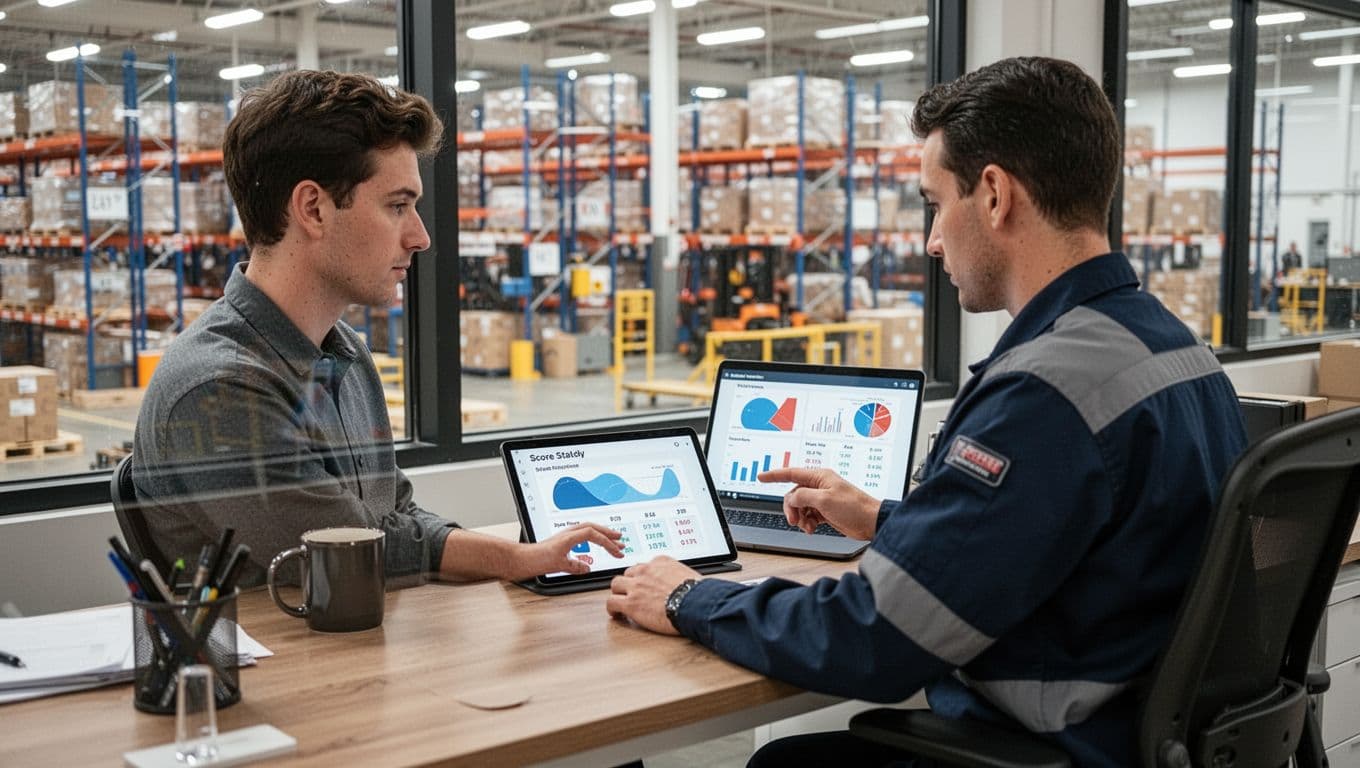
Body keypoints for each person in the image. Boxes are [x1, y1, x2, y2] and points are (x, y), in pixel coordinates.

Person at [606, 57, 1247, 766]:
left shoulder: (1047, 392)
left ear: (996, 194)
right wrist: (885, 520)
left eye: (935, 202)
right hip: (1142, 729)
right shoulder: (1173, 347)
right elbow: (1055, 537)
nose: (933, 239)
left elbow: (872, 638)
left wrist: (688, 599)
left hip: (1065, 745)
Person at [133, 70, 622, 588]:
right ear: (313, 209)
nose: (421, 237)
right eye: (397, 206)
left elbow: (394, 515)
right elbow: (348, 549)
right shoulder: (218, 388)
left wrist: (521, 556)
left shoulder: (343, 352)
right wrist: (515, 559)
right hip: (281, 663)